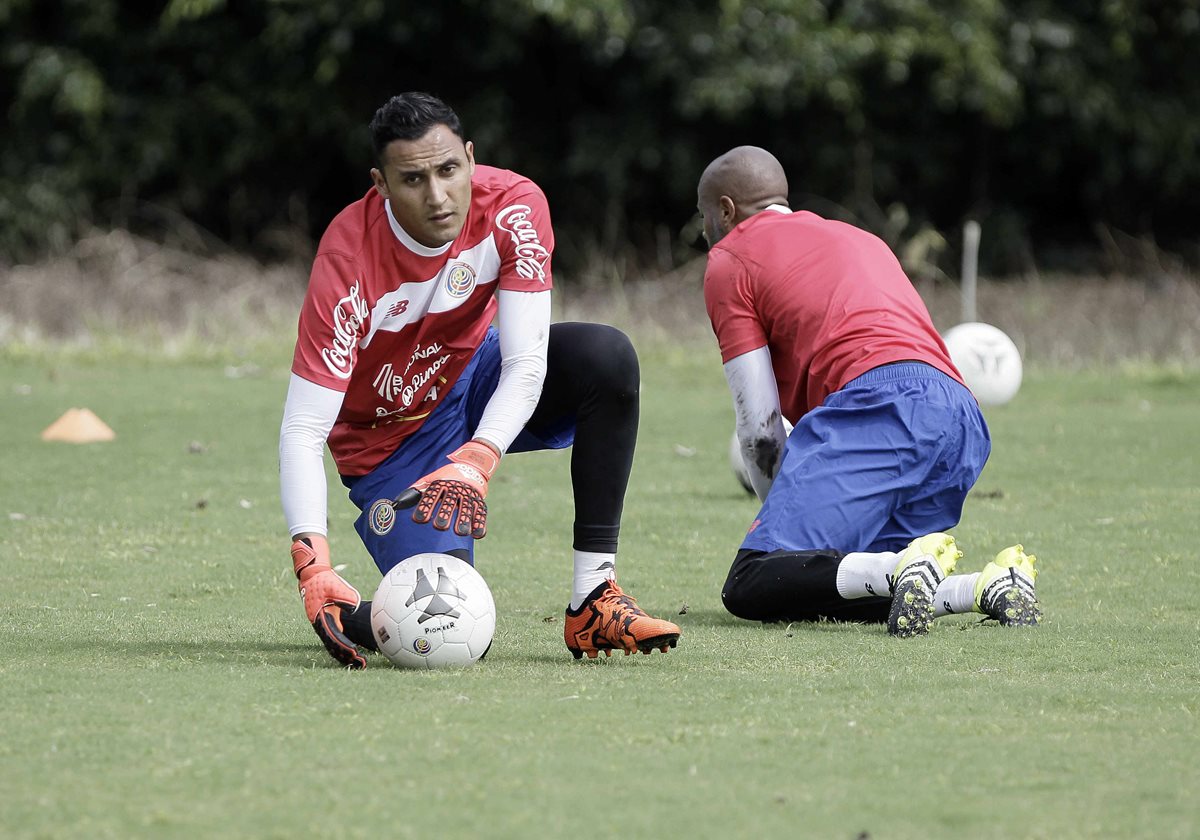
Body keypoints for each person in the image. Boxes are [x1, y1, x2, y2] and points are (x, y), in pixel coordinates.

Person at [279, 92, 680, 668]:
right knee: (453, 630)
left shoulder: (514, 207)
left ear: (470, 157)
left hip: (478, 376)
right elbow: (303, 428)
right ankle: (347, 611)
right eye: (413, 179)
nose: (438, 196)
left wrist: (478, 458)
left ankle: (594, 598)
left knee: (605, 357)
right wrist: (312, 562)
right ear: (381, 183)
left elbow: (526, 364)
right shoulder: (348, 262)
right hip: (391, 444)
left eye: (448, 170)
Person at [696, 146, 1041, 637]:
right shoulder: (860, 237)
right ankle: (986, 586)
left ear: (726, 209)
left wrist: (782, 523)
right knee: (845, 579)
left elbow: (760, 428)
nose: (705, 230)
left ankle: (900, 568)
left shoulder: (729, 259)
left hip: (880, 407)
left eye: (704, 215)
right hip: (960, 416)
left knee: (754, 581)